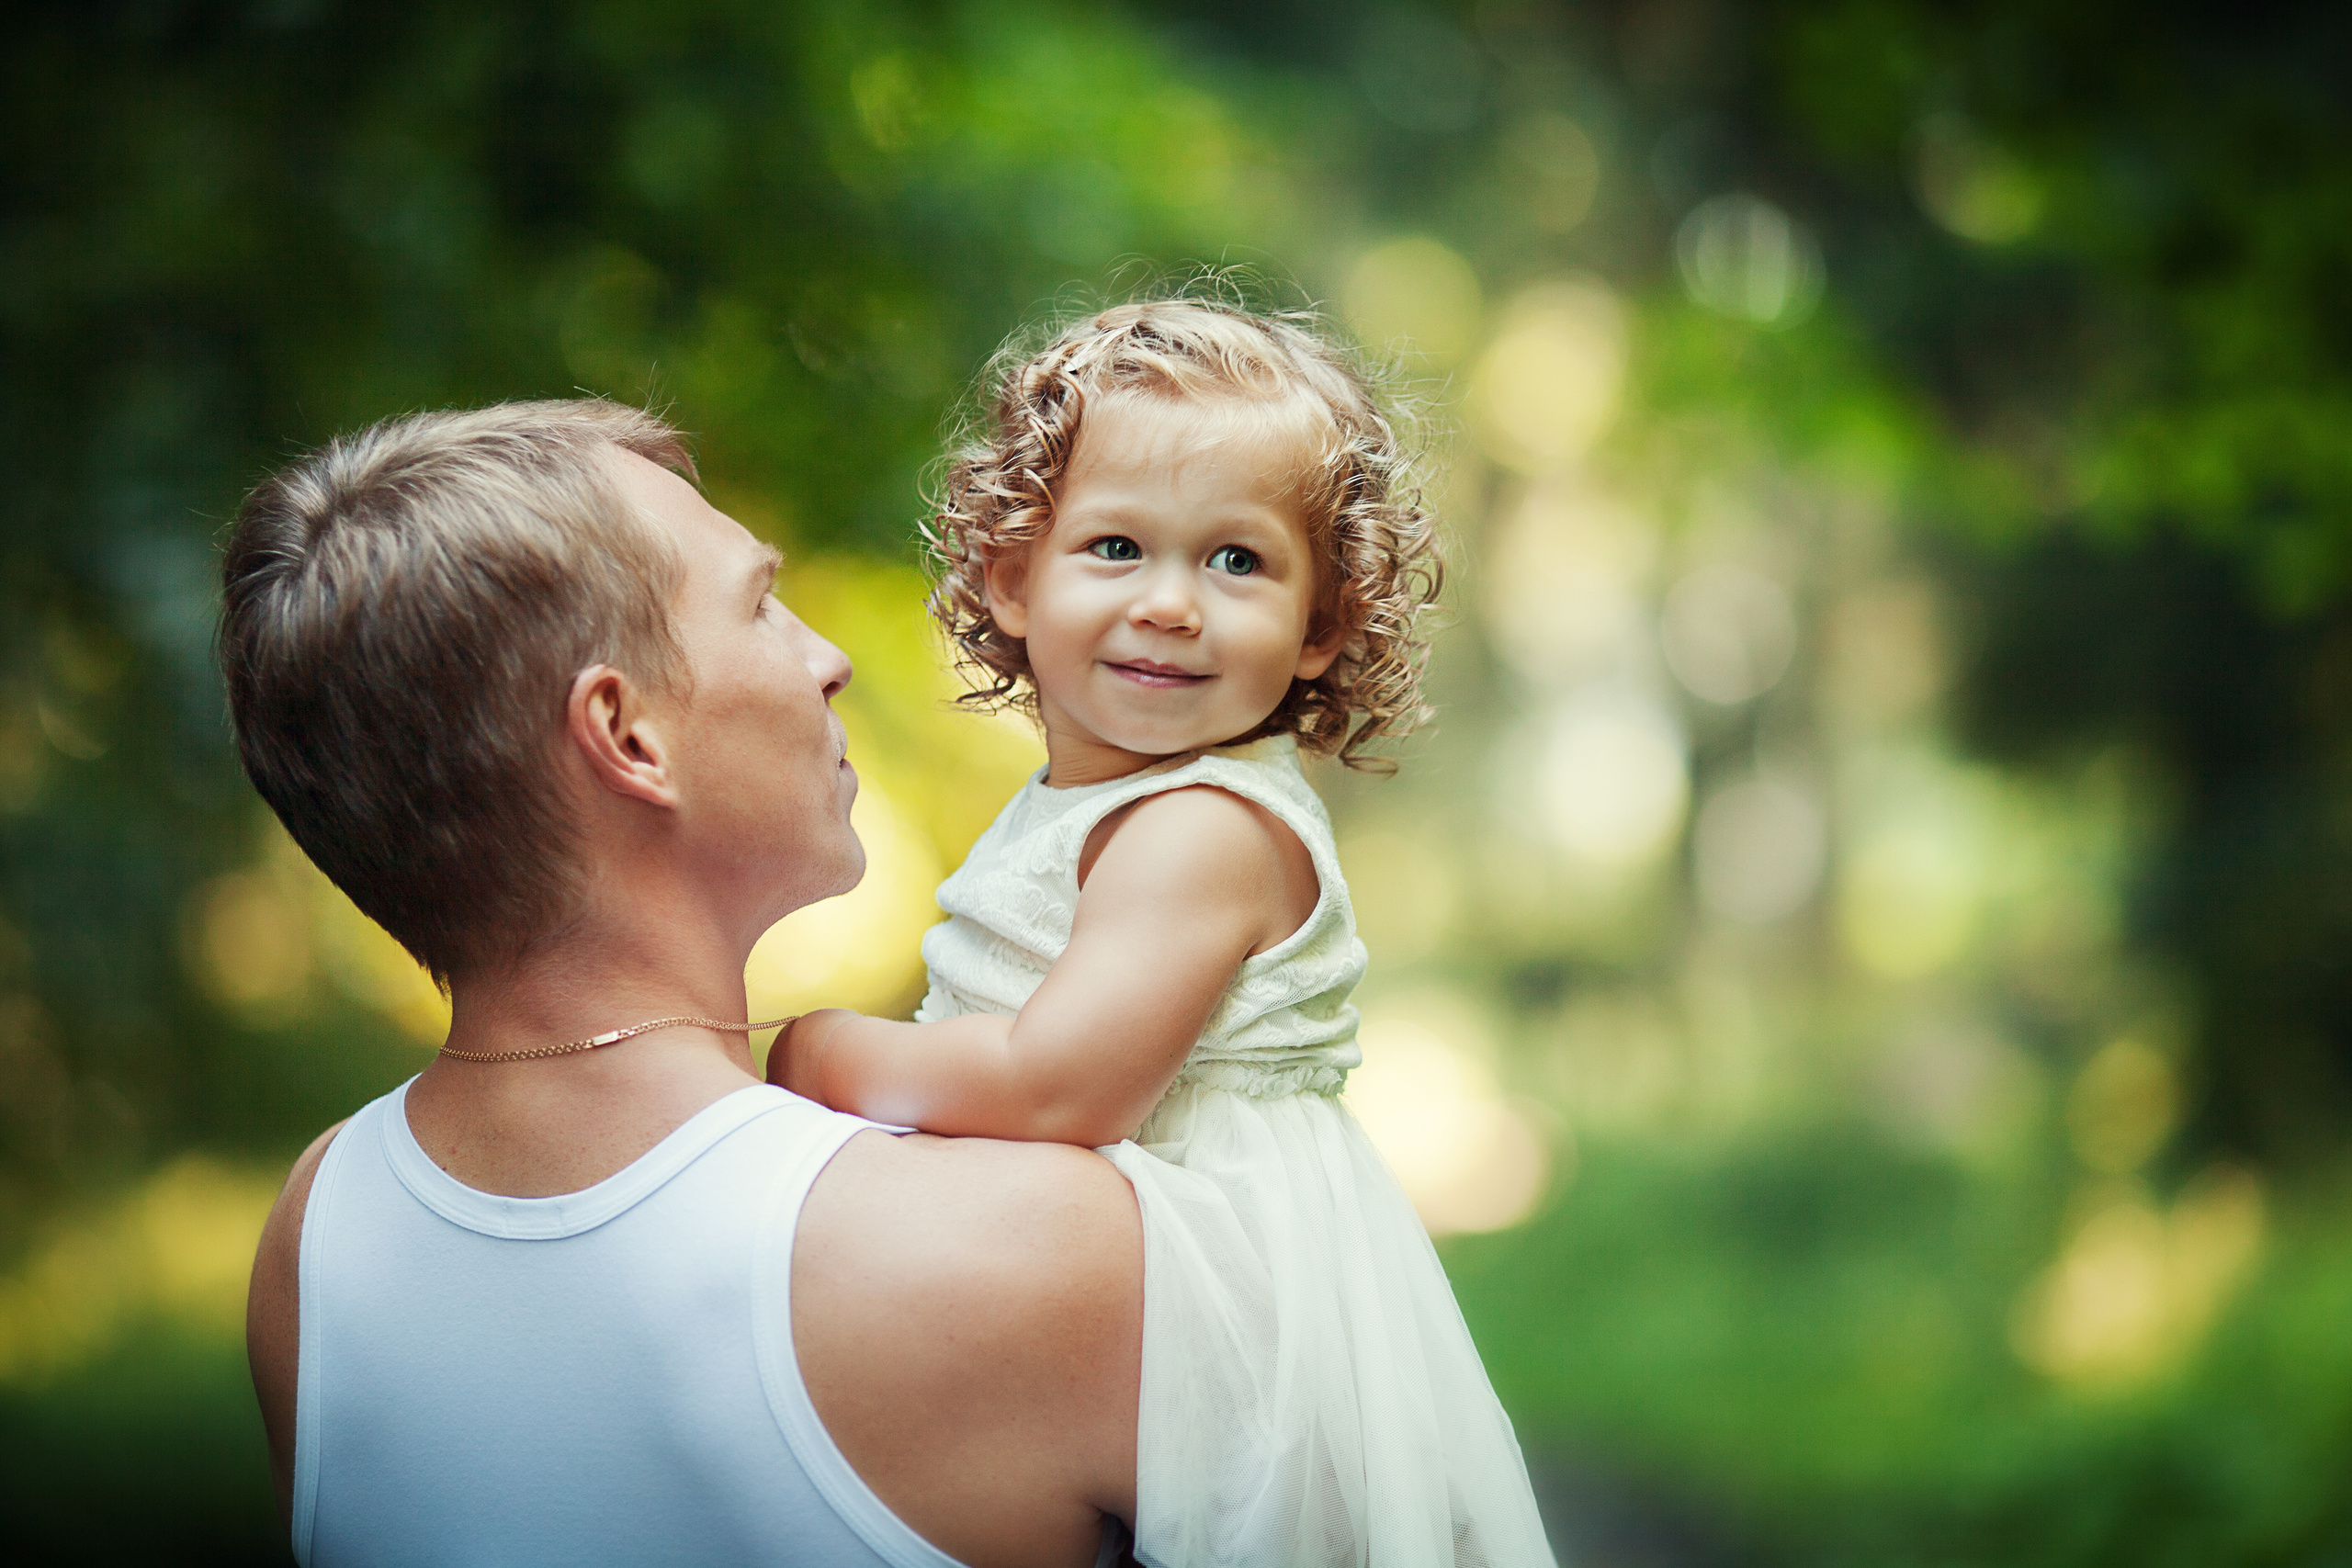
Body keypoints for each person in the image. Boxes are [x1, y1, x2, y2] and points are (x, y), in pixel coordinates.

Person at [227, 400, 1146, 1567]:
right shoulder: (1020, 1245)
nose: (830, 658)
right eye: (760, 604)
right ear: (628, 734)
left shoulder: (318, 1239)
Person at [768, 299, 1558, 1566]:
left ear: (1324, 625)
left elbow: (1056, 1081)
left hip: (1230, 1313)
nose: (1174, 603)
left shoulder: (1205, 826)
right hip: (1128, 1291)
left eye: (1238, 561)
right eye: (1119, 545)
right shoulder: (1087, 803)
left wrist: (813, 1053)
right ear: (1011, 581)